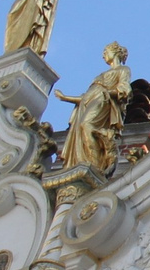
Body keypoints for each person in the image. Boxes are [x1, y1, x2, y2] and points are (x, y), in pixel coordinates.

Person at [54, 43, 133, 173]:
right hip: (89, 103)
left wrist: (107, 93)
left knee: (86, 125)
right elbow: (86, 97)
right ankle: (83, 161)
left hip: (103, 101)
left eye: (106, 51)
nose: (103, 55)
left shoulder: (123, 70)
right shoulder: (101, 75)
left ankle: (94, 166)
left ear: (115, 52)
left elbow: (125, 89)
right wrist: (65, 97)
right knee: (81, 129)